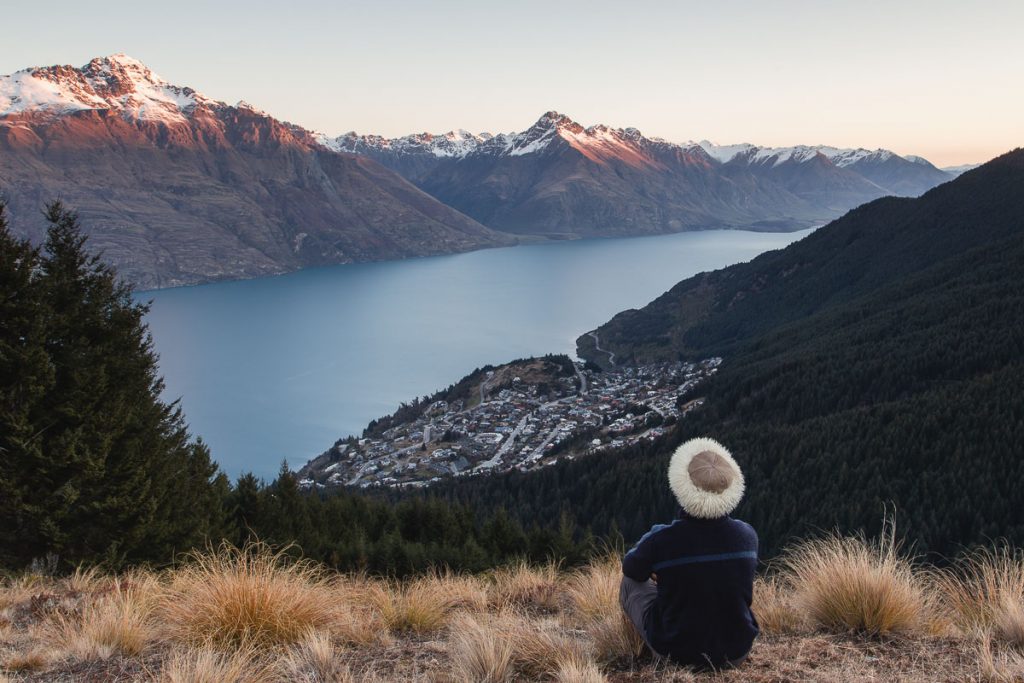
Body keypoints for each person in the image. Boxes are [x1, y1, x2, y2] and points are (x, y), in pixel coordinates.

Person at [620, 437, 759, 670]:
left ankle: (646, 649)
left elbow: (631, 567)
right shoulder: (747, 535)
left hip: (677, 655)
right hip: (735, 653)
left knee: (629, 583)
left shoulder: (662, 539)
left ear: (682, 487)